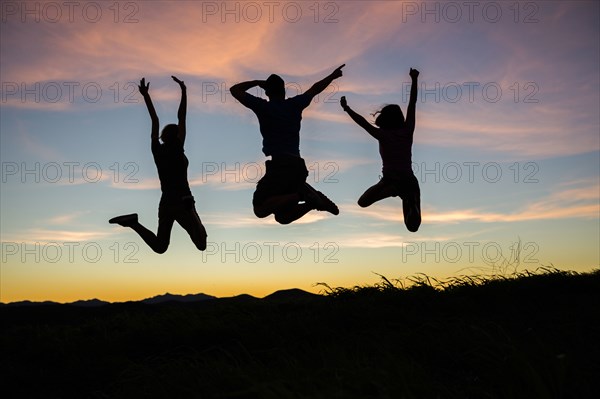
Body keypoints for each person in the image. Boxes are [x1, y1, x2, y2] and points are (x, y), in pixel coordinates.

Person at [230, 65, 345, 224]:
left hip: (281, 166)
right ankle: (311, 200)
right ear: (284, 91)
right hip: (297, 167)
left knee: (260, 208)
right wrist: (332, 76)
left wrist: (257, 82)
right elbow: (315, 89)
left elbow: (234, 90)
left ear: (267, 92)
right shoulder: (295, 104)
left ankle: (304, 194)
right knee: (282, 216)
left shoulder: (263, 107)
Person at [109, 76, 207, 252]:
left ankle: (133, 223)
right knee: (201, 244)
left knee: (161, 247)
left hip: (167, 202)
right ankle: (191, 212)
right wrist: (184, 91)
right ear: (177, 135)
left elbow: (154, 119)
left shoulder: (156, 149)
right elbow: (182, 117)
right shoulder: (178, 147)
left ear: (163, 136)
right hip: (183, 200)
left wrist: (146, 96)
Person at [340, 68, 421, 232]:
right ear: (400, 118)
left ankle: (394, 191)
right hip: (408, 180)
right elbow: (412, 103)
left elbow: (362, 122)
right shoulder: (407, 131)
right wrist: (414, 79)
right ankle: (407, 198)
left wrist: (347, 109)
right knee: (413, 226)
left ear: (384, 118)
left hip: (389, 180)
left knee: (362, 202)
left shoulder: (382, 134)